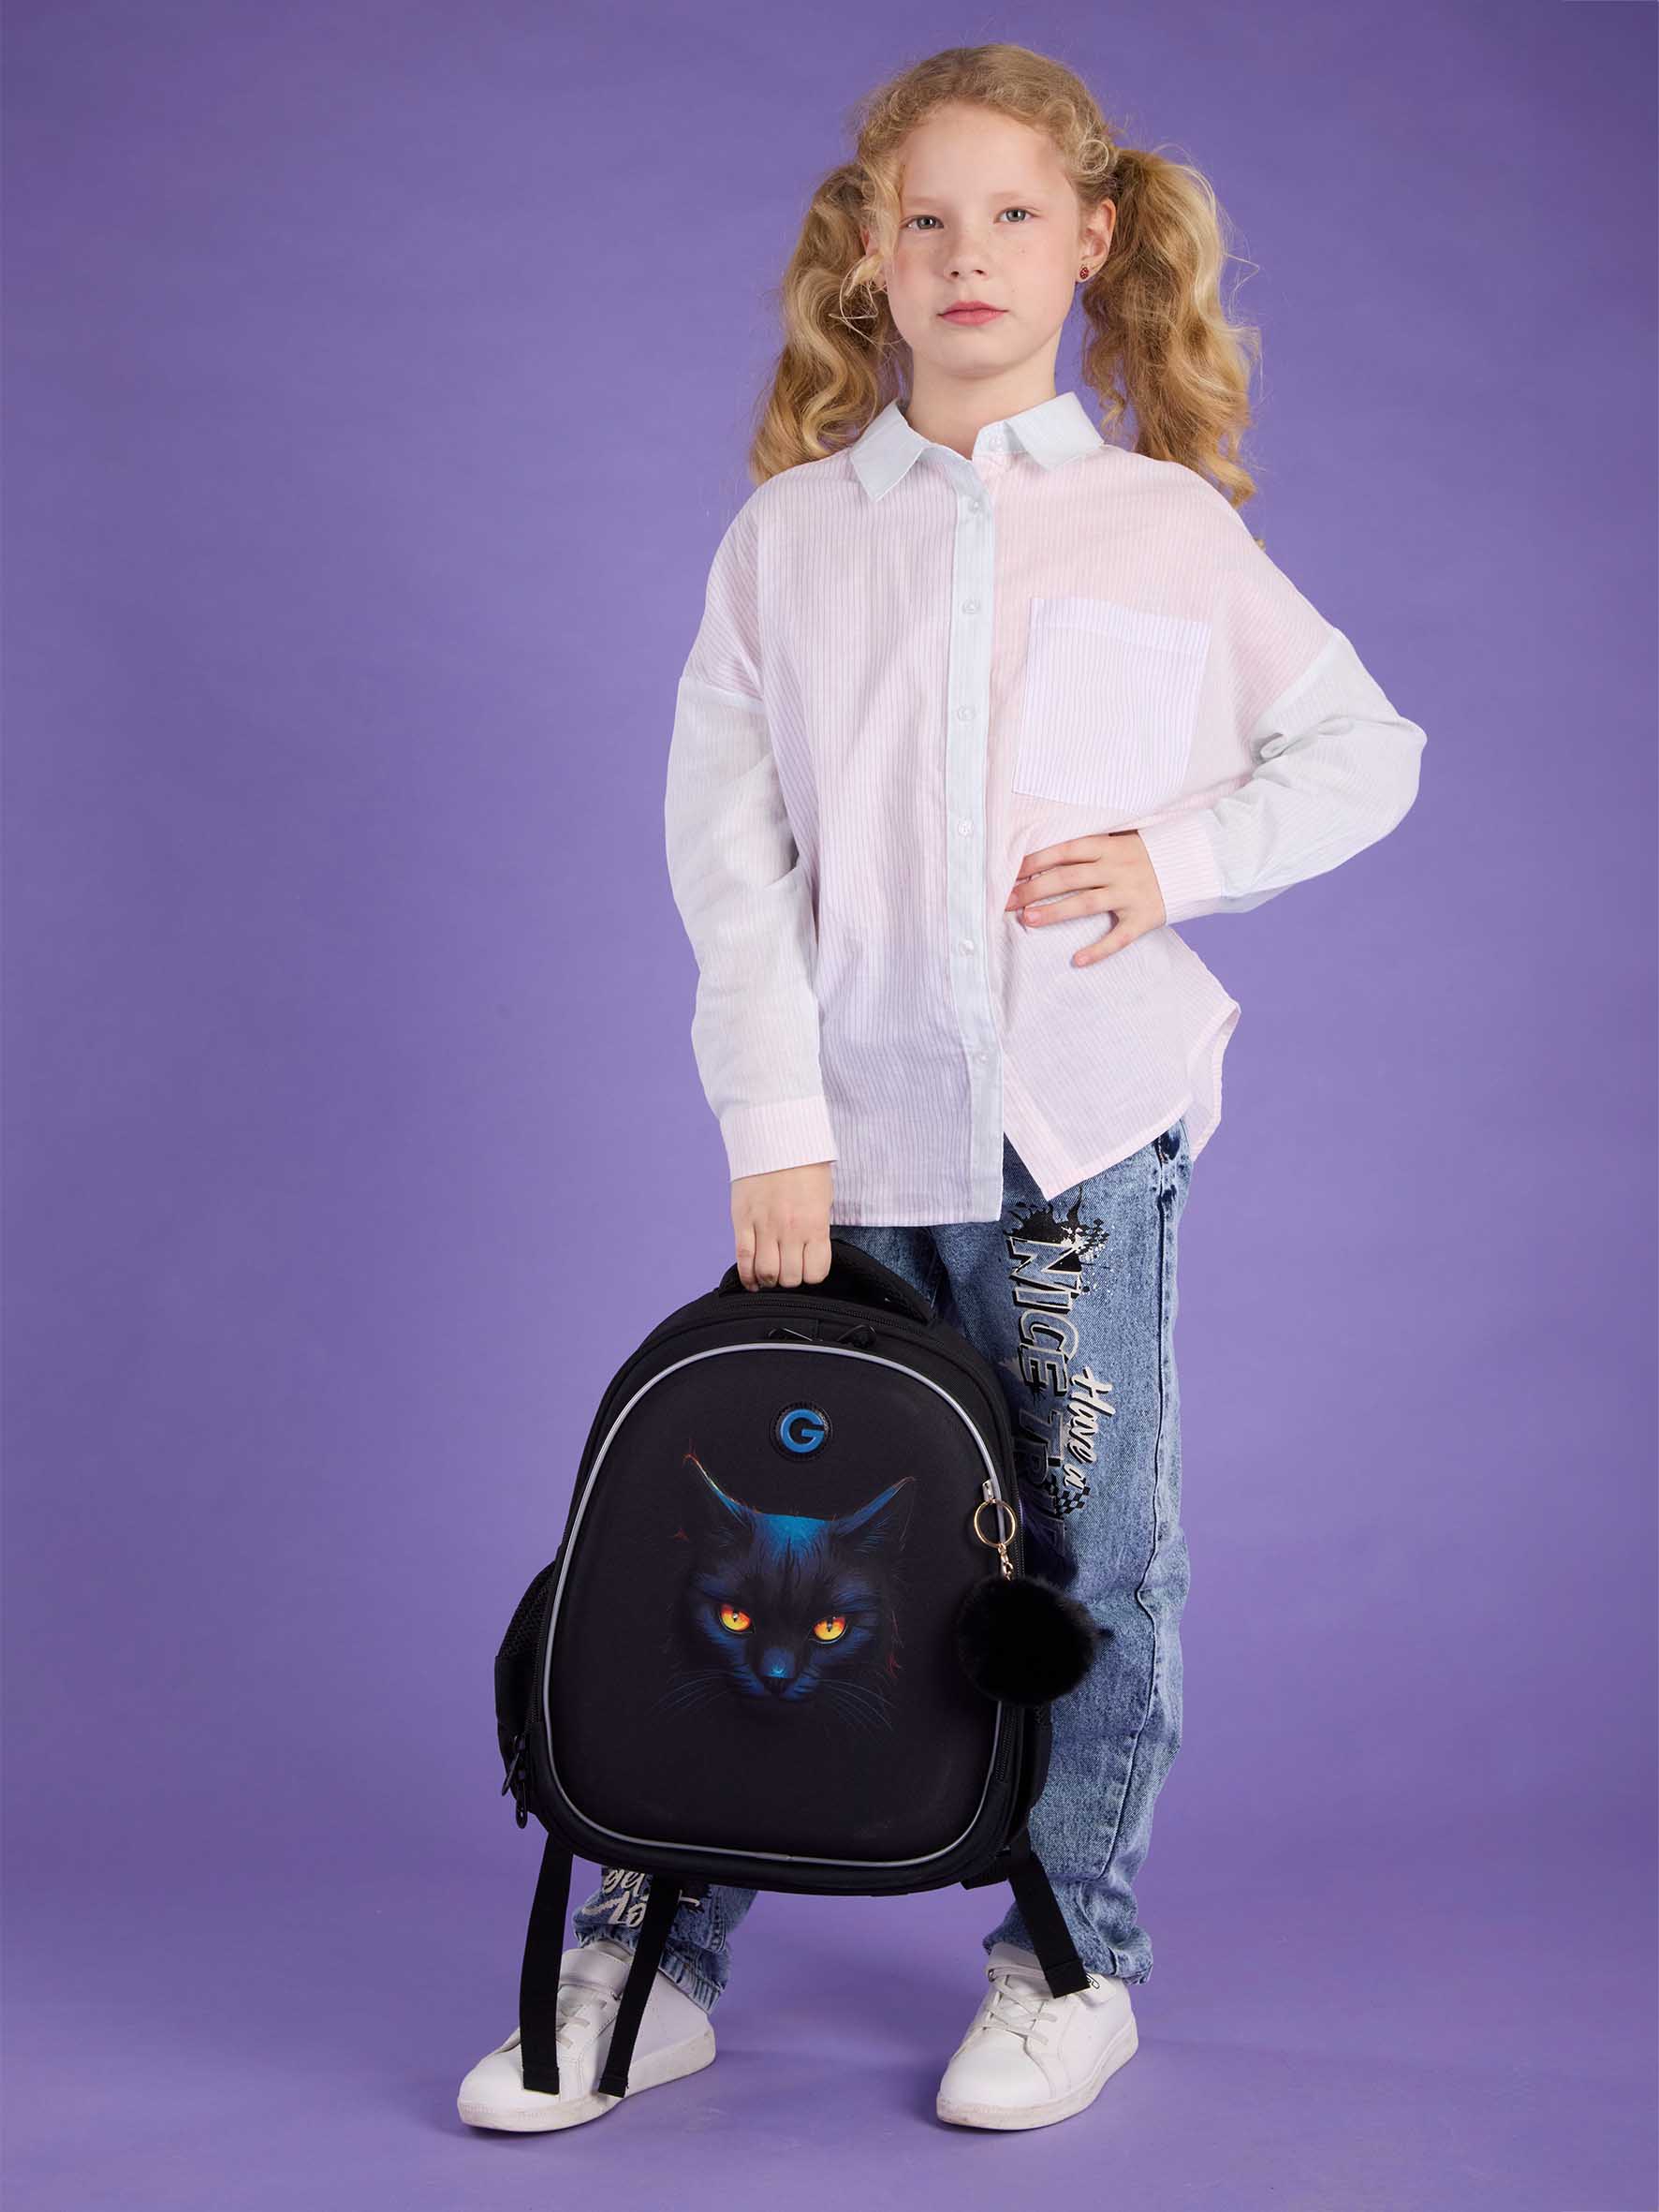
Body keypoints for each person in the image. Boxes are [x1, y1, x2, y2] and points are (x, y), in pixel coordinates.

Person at [458, 39, 1425, 2137]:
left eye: (1012, 215)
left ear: (1090, 242)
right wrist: (771, 1123)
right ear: (870, 257)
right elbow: (732, 862)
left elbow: (1367, 751)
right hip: (848, 1149)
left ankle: (1069, 1958)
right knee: (759, 1535)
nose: (968, 253)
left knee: (1090, 1562)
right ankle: (660, 1943)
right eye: (926, 219)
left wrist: (1179, 859)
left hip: (1081, 1148)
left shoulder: (1163, 527)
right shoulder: (787, 543)